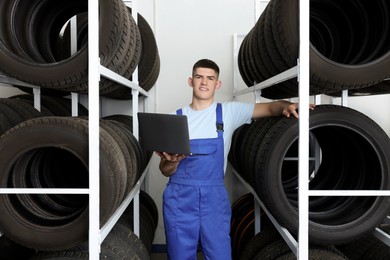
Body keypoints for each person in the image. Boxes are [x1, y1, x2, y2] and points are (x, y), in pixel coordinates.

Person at [156, 59, 314, 260]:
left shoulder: (229, 112)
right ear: (190, 81)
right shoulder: (174, 119)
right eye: (199, 77)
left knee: (220, 254)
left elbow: (269, 108)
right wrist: (172, 161)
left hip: (213, 199)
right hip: (179, 199)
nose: (204, 82)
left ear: (217, 84)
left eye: (210, 78)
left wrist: (287, 106)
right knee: (179, 256)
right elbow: (165, 170)